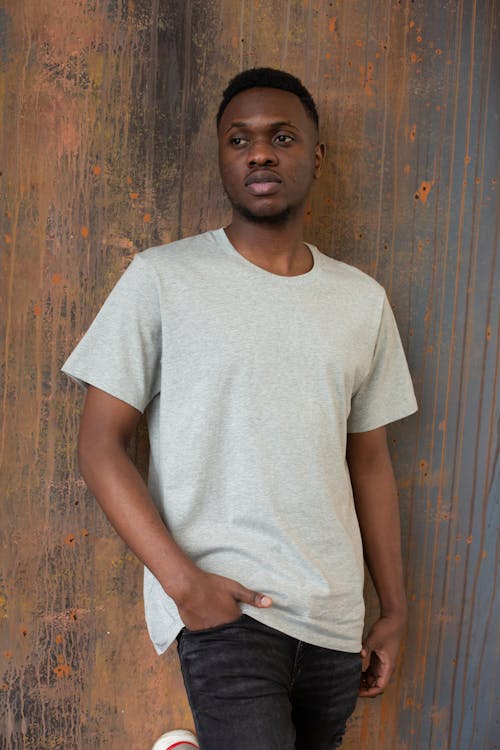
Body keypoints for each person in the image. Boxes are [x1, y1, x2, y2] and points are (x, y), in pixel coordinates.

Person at [62, 68, 417, 750]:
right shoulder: (162, 279)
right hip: (226, 608)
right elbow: (100, 444)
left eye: (281, 137)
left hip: (334, 619)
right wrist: (182, 584)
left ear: (314, 156)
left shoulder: (361, 301)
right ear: (223, 158)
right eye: (239, 139)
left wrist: (393, 609)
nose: (259, 152)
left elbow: (368, 462)